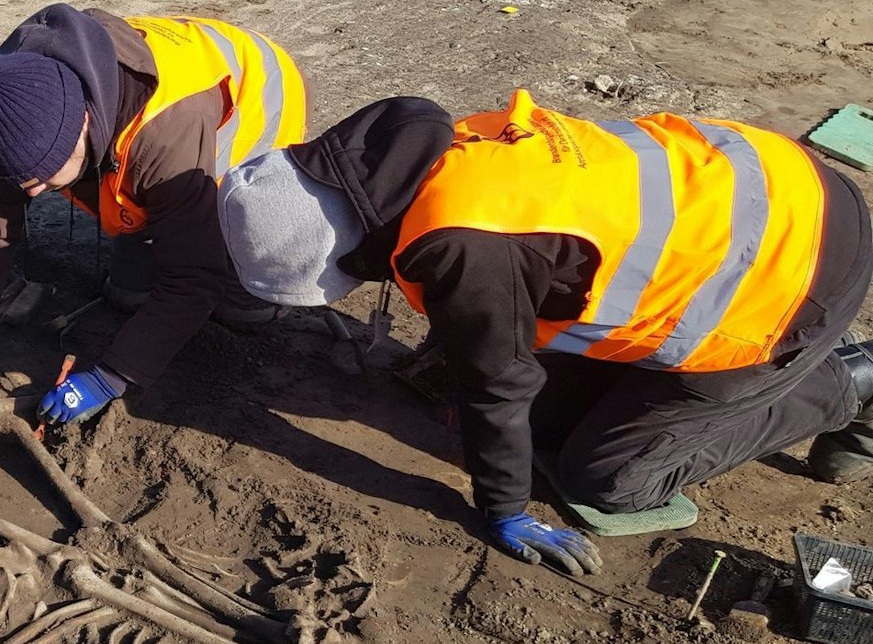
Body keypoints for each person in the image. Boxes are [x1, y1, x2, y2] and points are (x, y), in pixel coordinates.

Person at [212, 89, 873, 575]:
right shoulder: (418, 151)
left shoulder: (459, 248)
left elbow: (496, 384)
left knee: (605, 479)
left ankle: (846, 382)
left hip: (790, 278)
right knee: (543, 424)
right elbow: (527, 269)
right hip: (772, 183)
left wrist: (503, 509)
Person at [0, 4, 308, 424]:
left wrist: (110, 377)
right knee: (128, 295)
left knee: (234, 296)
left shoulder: (165, 136)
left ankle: (256, 285)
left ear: (85, 124)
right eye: (24, 180)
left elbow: (192, 276)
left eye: (44, 176)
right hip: (142, 142)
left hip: (254, 105)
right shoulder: (13, 108)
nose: (32, 191)